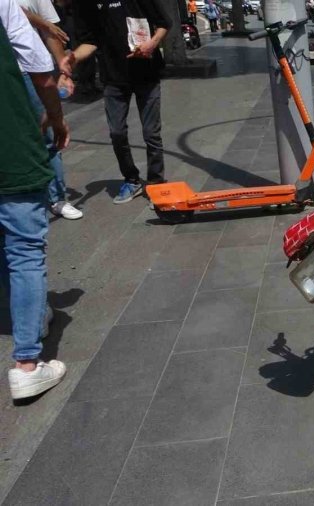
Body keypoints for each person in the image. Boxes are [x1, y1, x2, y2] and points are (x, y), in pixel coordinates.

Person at [1, 0, 69, 400]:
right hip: (8, 144)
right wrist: (56, 120)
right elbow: (40, 69)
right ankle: (27, 363)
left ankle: (30, 315)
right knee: (24, 250)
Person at [67, 0, 170, 204]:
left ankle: (156, 182)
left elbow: (164, 24)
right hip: (113, 76)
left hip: (146, 74)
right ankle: (131, 179)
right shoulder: (85, 4)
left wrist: (152, 43)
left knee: (151, 133)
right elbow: (89, 41)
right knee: (117, 132)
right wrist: (73, 58)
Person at [17, 0, 83, 219]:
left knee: (46, 134)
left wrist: (63, 71)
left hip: (30, 70)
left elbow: (51, 32)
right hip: (10, 71)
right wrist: (42, 22)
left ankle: (57, 198)